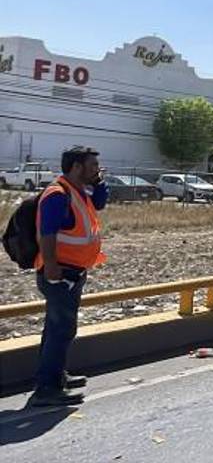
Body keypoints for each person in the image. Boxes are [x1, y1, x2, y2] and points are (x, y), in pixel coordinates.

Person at [29, 146, 107, 407]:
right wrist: (51, 266)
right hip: (59, 272)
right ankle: (47, 388)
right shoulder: (57, 194)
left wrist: (98, 183)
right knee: (62, 329)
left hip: (72, 272)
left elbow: (100, 203)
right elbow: (47, 233)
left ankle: (54, 376)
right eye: (93, 165)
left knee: (56, 327)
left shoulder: (77, 192)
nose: (97, 169)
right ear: (76, 167)